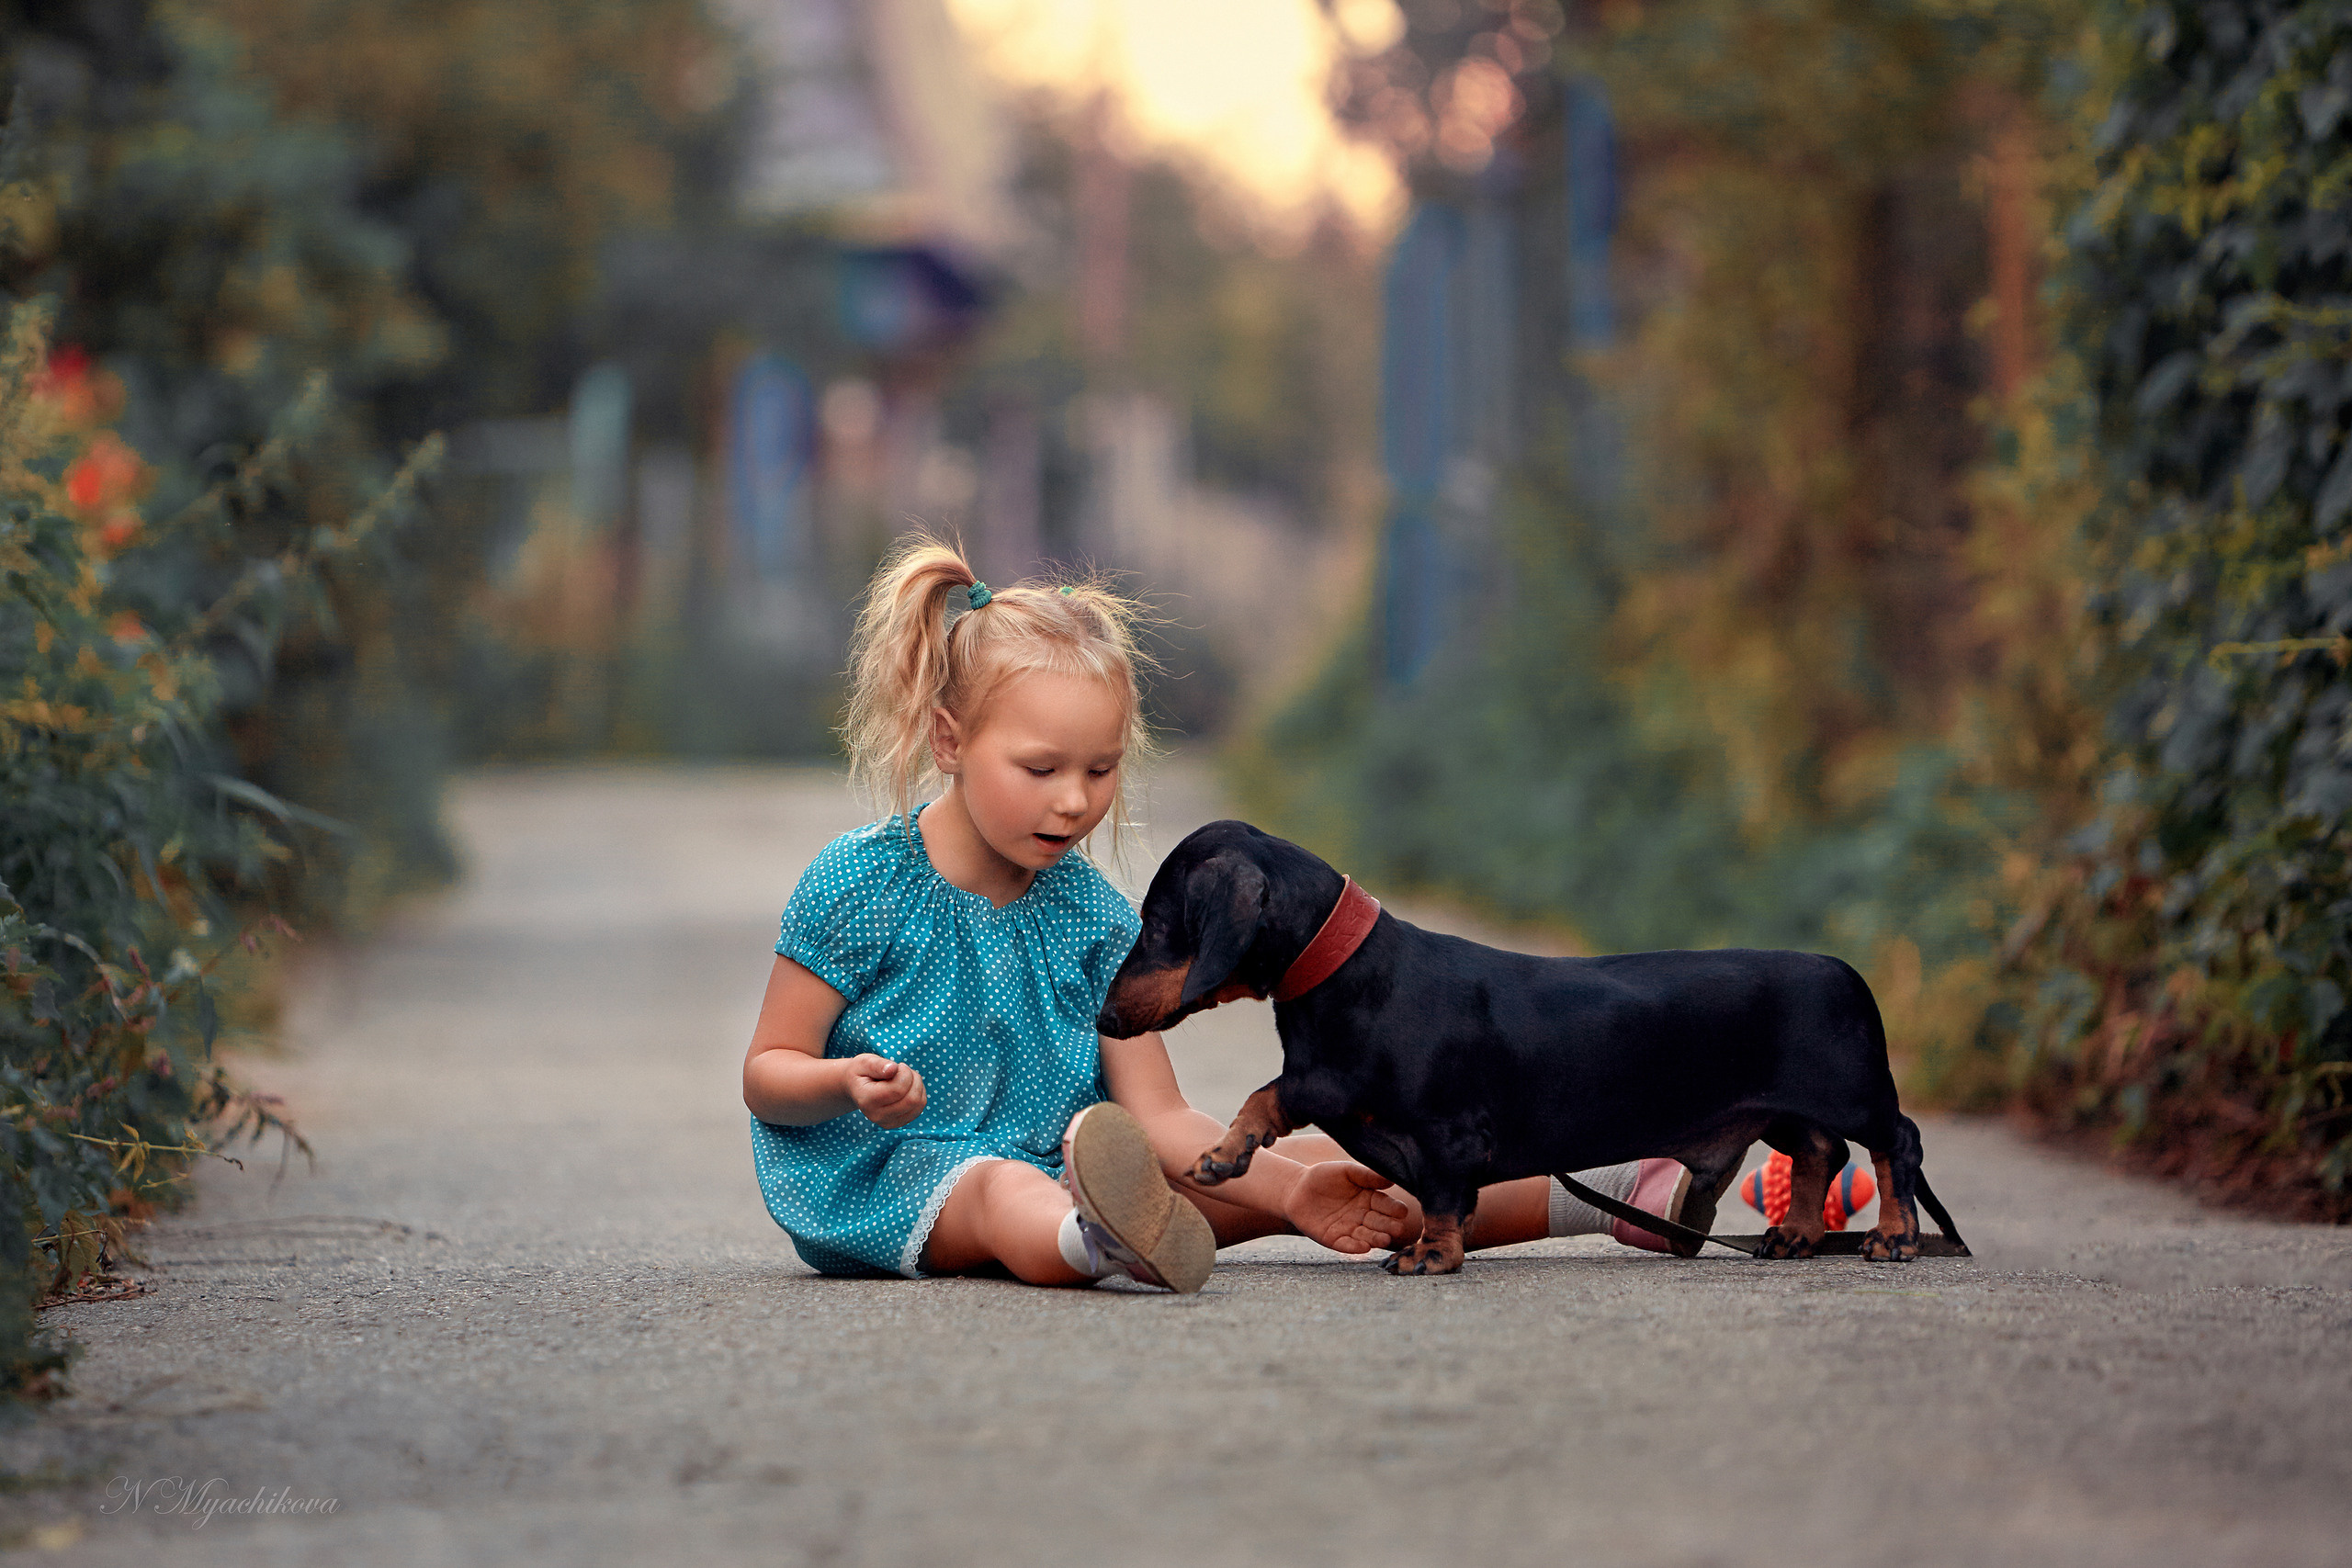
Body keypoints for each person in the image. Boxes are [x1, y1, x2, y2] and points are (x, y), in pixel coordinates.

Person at [741, 536, 1693, 1292]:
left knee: (1366, 1155)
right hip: (898, 1181)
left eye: (1101, 771)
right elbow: (766, 1073)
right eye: (1041, 771)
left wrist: (1296, 1190)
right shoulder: (861, 885)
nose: (1074, 802)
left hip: (1080, 1166)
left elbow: (1155, 1115)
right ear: (949, 741)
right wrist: (842, 1083)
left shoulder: (1088, 915)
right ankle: (1092, 1244)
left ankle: (1621, 1187)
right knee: (1005, 1189)